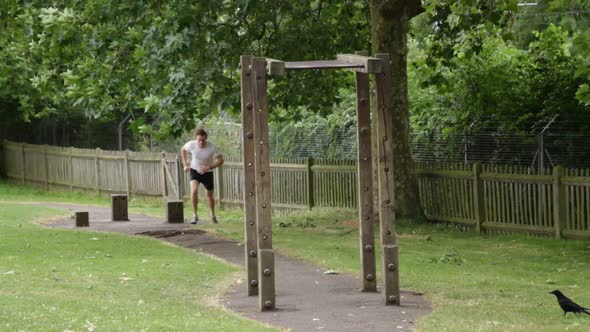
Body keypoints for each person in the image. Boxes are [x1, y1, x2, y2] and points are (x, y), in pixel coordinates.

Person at [181, 128, 224, 224]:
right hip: (194, 170)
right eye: (199, 140)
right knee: (194, 191)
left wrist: (210, 167)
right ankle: (195, 216)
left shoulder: (212, 146)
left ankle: (212, 215)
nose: (201, 142)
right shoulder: (191, 144)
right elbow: (183, 150)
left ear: (206, 139)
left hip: (207, 172)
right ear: (196, 139)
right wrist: (185, 164)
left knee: (209, 195)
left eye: (203, 140)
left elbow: (221, 160)